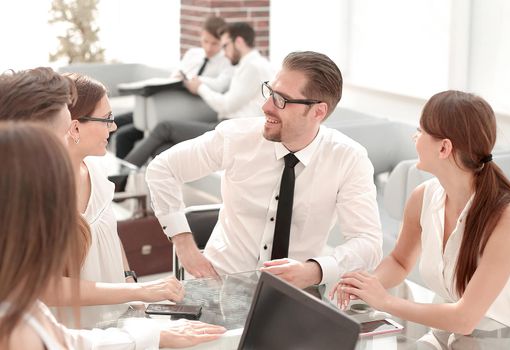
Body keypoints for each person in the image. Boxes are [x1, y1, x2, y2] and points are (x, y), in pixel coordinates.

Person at [146, 51, 382, 288]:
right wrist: (183, 243)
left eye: (281, 99)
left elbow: (368, 242)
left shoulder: (349, 159)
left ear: (318, 112)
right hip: (219, 283)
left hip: (294, 294)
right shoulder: (236, 137)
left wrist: (313, 271)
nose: (266, 106)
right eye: (270, 92)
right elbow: (162, 169)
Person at [0, 122, 226, 349]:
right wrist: (143, 310)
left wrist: (136, 301)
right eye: (61, 132)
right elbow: (62, 335)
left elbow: (66, 340)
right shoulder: (17, 320)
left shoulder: (23, 305)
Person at [0, 67, 184, 328]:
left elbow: (109, 233)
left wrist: (131, 285)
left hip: (112, 320)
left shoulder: (96, 172)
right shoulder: (28, 197)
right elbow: (44, 286)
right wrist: (139, 292)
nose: (115, 125)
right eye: (107, 118)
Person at [331, 90, 510, 334]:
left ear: (444, 148)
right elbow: (400, 261)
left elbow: (465, 318)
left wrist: (386, 301)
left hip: (509, 338)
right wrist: (367, 285)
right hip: (449, 334)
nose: (415, 138)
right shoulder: (423, 196)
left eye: (421, 131)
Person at [125, 21, 274, 168]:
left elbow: (227, 106)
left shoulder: (252, 67)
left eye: (225, 46)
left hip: (232, 132)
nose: (224, 53)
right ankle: (124, 183)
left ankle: (118, 179)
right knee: (162, 149)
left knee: (165, 128)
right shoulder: (253, 65)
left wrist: (200, 87)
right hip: (230, 128)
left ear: (239, 42)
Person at [114, 15, 233, 159]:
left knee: (124, 135)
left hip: (187, 114)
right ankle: (96, 172)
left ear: (223, 42)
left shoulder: (227, 62)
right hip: (164, 106)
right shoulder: (193, 54)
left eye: (214, 43)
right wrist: (177, 78)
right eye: (205, 41)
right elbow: (175, 76)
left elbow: (220, 86)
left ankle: (120, 180)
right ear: (201, 36)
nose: (208, 47)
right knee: (113, 122)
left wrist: (196, 81)